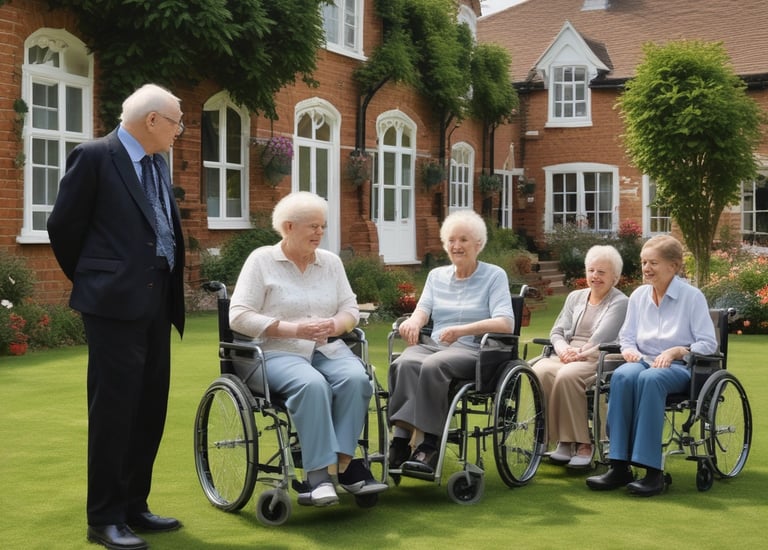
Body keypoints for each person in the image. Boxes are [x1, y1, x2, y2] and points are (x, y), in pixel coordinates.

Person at [47, 84, 186, 550]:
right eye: (176, 122)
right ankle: (103, 517)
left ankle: (133, 506)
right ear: (151, 120)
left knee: (150, 406)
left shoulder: (158, 163)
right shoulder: (94, 157)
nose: (179, 131)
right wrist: (96, 278)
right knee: (114, 411)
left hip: (158, 301)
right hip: (112, 306)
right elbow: (63, 226)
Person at [229, 191, 387, 507]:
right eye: (313, 226)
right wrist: (293, 328)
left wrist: (336, 325)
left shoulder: (330, 263)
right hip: (275, 351)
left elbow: (350, 309)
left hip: (326, 349)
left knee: (357, 379)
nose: (320, 233)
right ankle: (316, 477)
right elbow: (239, 316)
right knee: (311, 385)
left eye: (322, 226)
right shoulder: (262, 260)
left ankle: (342, 464)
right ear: (288, 227)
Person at [586, 235, 717, 496]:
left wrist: (679, 350)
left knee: (650, 379)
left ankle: (653, 472)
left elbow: (709, 343)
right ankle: (619, 465)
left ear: (674, 266)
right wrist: (630, 351)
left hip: (680, 368)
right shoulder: (638, 296)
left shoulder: (692, 297)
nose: (646, 268)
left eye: (653, 263)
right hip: (644, 361)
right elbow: (627, 336)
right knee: (622, 376)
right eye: (644, 262)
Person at [387, 210, 515, 476]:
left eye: (464, 240)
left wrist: (462, 330)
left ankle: (429, 445)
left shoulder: (494, 276)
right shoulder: (436, 276)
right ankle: (400, 440)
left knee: (434, 366)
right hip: (436, 344)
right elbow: (423, 309)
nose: (457, 246)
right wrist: (412, 322)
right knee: (405, 362)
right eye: (452, 240)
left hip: (473, 348)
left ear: (478, 244)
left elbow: (505, 323)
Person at [533, 245, 628, 468]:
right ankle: (560, 441)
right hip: (567, 354)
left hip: (599, 357)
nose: (595, 276)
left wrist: (576, 353)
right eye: (591, 270)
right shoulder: (575, 297)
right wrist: (563, 347)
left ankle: (583, 443)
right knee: (541, 371)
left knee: (568, 375)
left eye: (602, 272)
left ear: (615, 277)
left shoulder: (621, 302)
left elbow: (601, 338)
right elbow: (557, 331)